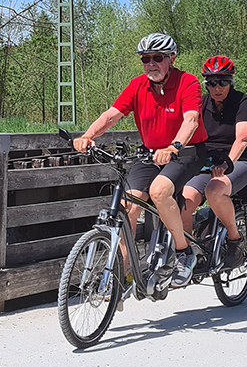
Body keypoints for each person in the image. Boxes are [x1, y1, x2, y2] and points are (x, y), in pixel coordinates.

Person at [73, 33, 208, 286]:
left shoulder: (187, 82)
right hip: (150, 154)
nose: (151, 64)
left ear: (172, 59)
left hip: (186, 151)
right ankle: (119, 277)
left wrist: (174, 146)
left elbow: (191, 119)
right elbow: (111, 115)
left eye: (158, 58)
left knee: (159, 191)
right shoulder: (138, 86)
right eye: (146, 59)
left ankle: (183, 252)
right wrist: (88, 135)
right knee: (127, 207)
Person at [181, 55, 247, 268]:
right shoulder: (202, 103)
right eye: (211, 83)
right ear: (205, 84)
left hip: (241, 160)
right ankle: (190, 254)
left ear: (231, 82)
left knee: (215, 189)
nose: (217, 88)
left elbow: (242, 138)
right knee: (185, 200)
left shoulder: (241, 101)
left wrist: (228, 162)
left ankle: (235, 240)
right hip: (209, 162)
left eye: (223, 82)